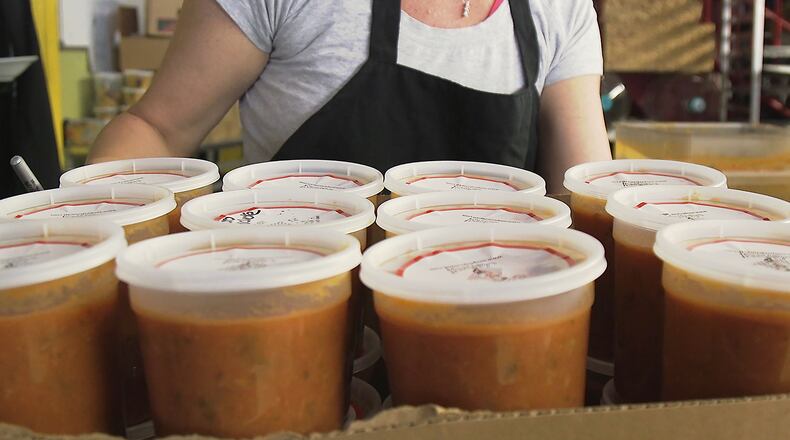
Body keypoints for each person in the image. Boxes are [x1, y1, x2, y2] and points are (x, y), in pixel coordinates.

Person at [90, 0, 611, 192]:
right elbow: (156, 129)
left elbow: (582, 195)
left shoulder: (559, 10)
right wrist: (92, 219)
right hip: (290, 311)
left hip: (491, 324)